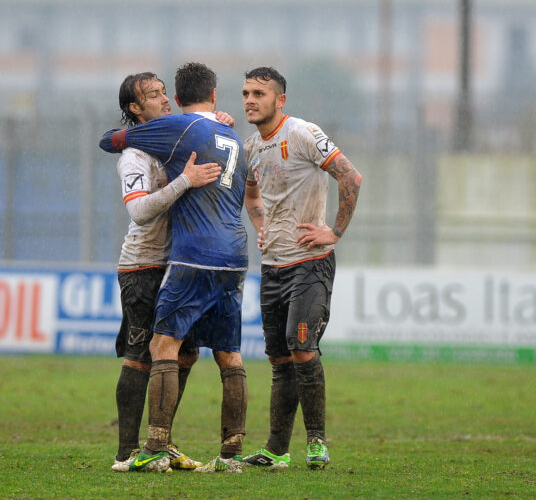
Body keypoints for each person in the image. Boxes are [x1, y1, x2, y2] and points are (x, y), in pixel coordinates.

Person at [100, 62, 250, 473]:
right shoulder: (134, 153)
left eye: (165, 92)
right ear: (134, 108)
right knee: (140, 357)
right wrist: (184, 180)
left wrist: (214, 124)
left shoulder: (180, 135)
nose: (163, 98)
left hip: (180, 261)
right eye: (152, 95)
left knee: (183, 356)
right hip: (144, 264)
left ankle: (162, 444)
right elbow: (140, 213)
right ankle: (128, 453)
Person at [240, 67, 362, 470]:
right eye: (245, 93)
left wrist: (334, 231)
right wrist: (262, 226)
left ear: (281, 100)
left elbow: (351, 178)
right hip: (272, 266)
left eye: (259, 93)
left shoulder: (303, 133)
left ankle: (316, 442)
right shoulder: (251, 147)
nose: (250, 100)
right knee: (278, 360)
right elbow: (251, 192)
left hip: (310, 264)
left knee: (301, 347)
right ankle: (277, 450)